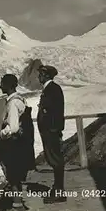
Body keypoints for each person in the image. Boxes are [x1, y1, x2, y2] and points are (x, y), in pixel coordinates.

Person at [36, 65, 67, 203]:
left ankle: (59, 192)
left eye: (40, 74)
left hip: (51, 131)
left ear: (46, 75)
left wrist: (54, 129)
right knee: (53, 159)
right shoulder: (49, 89)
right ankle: (57, 188)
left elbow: (56, 111)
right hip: (49, 131)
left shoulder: (53, 89)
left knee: (55, 160)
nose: (38, 77)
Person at [0, 74, 29, 208]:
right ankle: (18, 201)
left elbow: (14, 127)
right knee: (16, 172)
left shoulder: (12, 103)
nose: (0, 86)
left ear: (9, 85)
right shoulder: (21, 99)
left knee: (12, 173)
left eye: (2, 83)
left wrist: (1, 134)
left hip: (14, 143)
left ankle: (17, 204)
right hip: (22, 142)